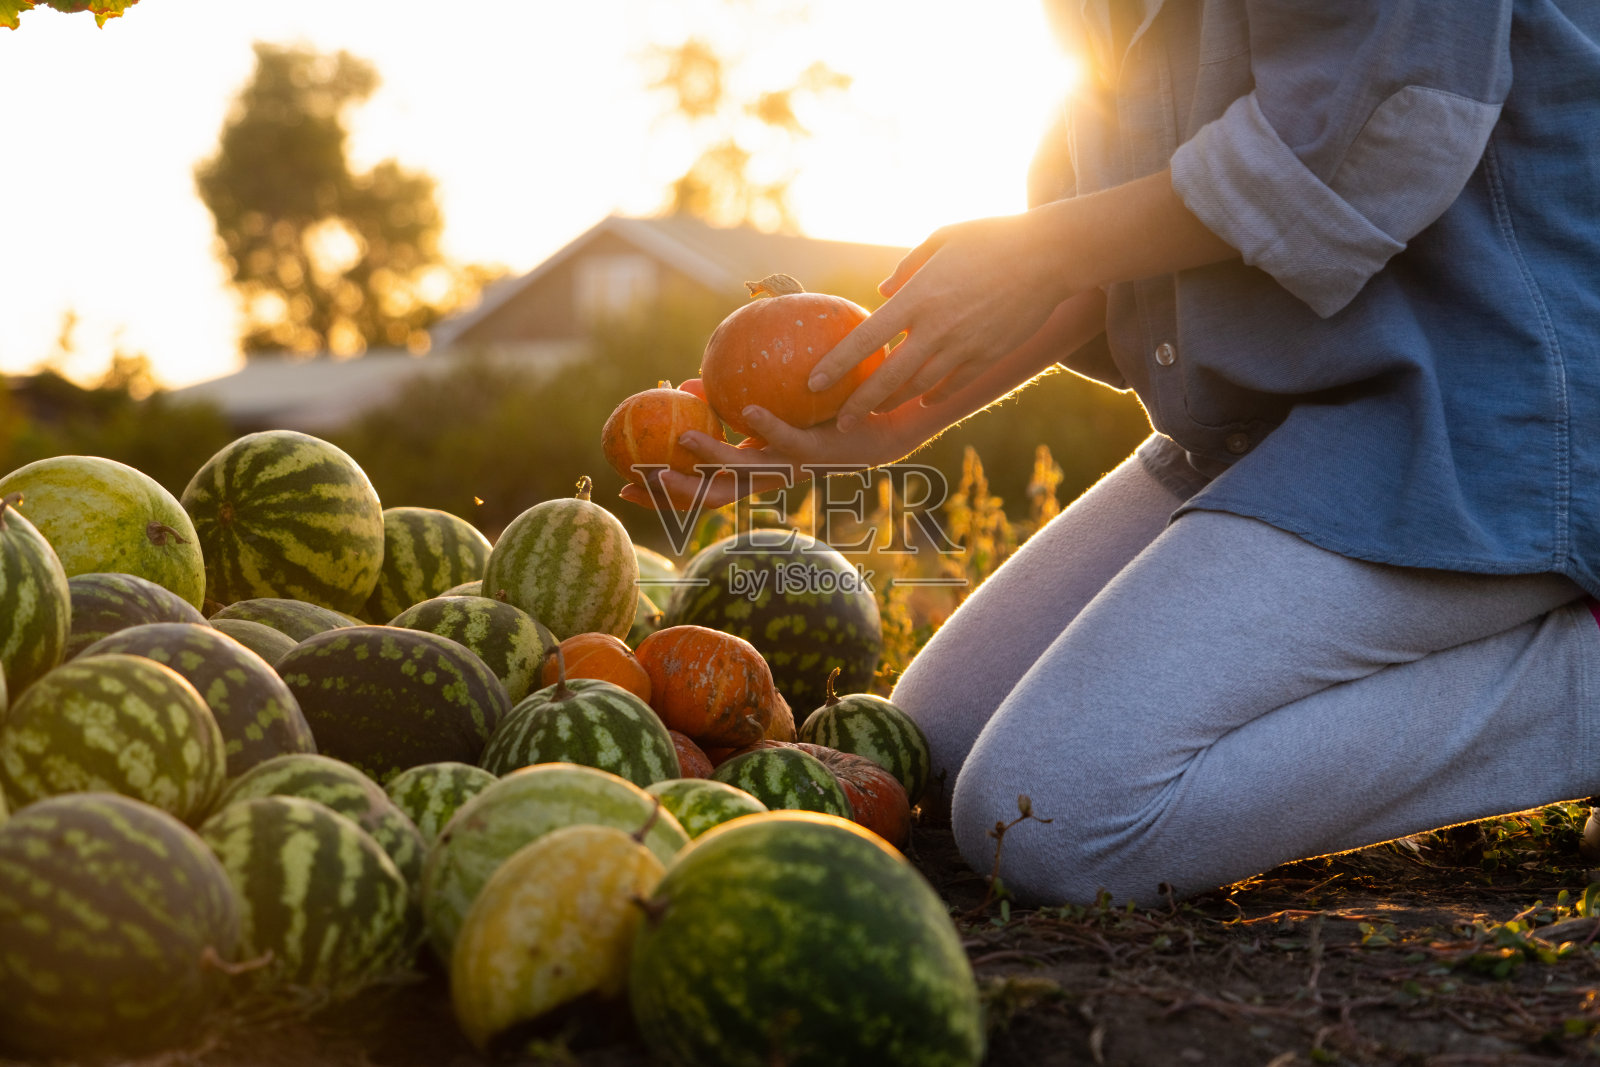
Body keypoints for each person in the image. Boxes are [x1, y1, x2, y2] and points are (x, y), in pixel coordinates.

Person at [623, 0, 1600, 907]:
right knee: (936, 745)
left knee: (1054, 819)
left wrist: (1042, 248)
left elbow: (1360, 137)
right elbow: (1111, 240)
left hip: (1498, 406)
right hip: (1276, 420)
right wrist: (891, 420)